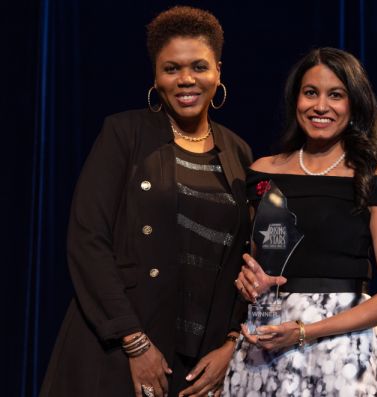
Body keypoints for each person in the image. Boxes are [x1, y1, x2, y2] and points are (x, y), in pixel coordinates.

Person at [40, 6, 252, 397]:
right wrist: (133, 341)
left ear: (218, 71)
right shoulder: (125, 134)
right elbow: (88, 240)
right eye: (171, 68)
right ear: (155, 77)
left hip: (197, 367)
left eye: (198, 66)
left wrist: (231, 344)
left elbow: (245, 262)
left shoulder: (238, 153)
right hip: (119, 349)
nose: (186, 79)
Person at [223, 47, 377, 396]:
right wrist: (249, 280)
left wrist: (304, 332)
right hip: (267, 348)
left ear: (354, 104)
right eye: (310, 92)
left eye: (336, 95)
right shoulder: (263, 172)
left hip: (341, 353)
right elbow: (260, 262)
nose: (321, 106)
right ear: (296, 99)